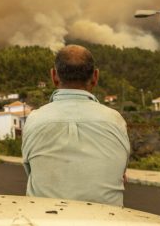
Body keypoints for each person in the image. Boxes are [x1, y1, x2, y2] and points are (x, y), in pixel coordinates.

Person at [22, 44, 130, 206]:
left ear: (54, 76)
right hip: (107, 220)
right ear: (95, 77)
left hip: (45, 219)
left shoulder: (35, 119)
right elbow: (120, 173)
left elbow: (32, 171)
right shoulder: (115, 120)